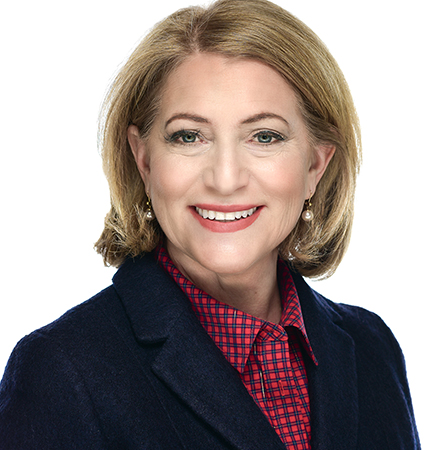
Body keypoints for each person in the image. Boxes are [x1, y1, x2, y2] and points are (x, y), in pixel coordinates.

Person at [0, 0, 420, 448]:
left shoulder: (372, 347)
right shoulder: (61, 370)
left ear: (316, 165)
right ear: (144, 160)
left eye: (264, 136)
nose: (225, 179)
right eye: (189, 136)